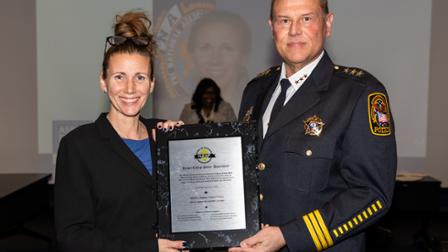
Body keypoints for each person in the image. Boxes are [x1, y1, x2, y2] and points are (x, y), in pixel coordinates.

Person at [232, 0, 397, 251]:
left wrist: (288, 235)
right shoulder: (255, 90)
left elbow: (372, 194)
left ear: (327, 24)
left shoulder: (360, 93)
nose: (294, 30)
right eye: (284, 20)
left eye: (306, 19)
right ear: (271, 27)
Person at [54, 11, 187, 252]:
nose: (129, 88)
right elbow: (72, 237)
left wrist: (184, 148)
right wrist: (149, 248)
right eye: (119, 77)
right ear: (103, 82)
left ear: (152, 83)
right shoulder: (78, 146)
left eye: (140, 77)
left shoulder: (166, 135)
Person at [186, 10, 251, 113]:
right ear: (192, 55)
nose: (215, 60)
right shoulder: (171, 112)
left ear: (244, 57)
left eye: (227, 49)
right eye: (205, 48)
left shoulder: (259, 112)